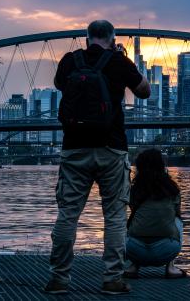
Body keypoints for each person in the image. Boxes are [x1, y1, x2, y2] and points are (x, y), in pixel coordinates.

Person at [45, 20, 151, 295]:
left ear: (87, 37)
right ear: (113, 38)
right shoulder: (118, 61)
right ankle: (112, 279)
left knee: (68, 214)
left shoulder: (70, 61)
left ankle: (59, 279)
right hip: (111, 148)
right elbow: (145, 91)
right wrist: (122, 59)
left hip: (74, 148)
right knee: (115, 215)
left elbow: (59, 86)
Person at [124, 148, 185, 279]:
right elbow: (177, 214)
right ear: (162, 166)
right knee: (177, 221)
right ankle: (170, 267)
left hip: (133, 250)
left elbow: (134, 210)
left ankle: (134, 266)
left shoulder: (135, 190)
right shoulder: (173, 190)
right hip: (167, 251)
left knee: (135, 220)